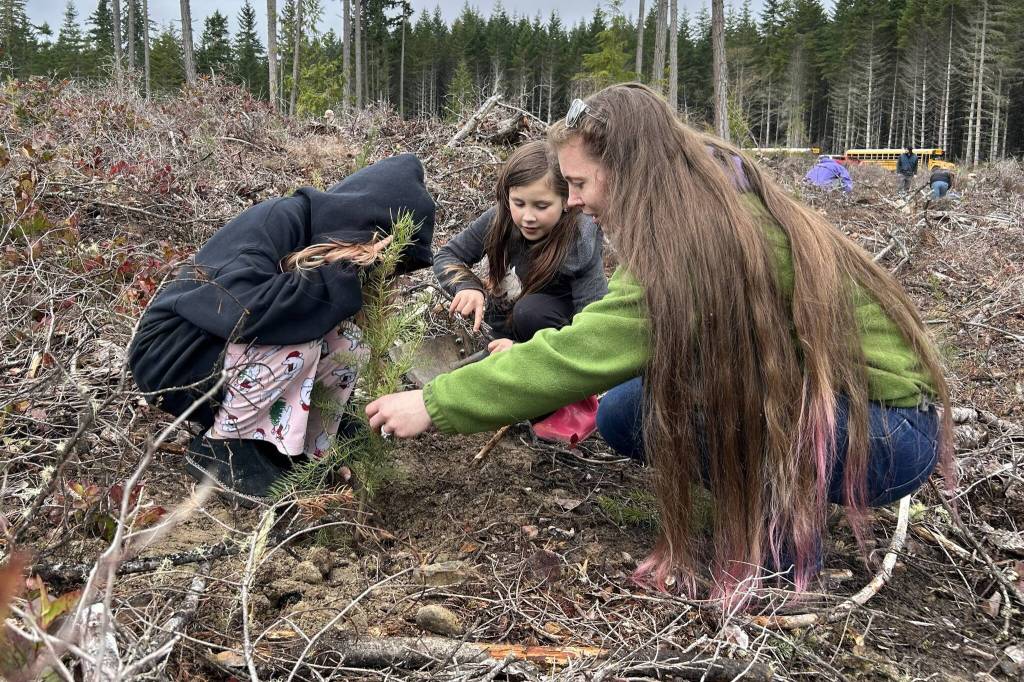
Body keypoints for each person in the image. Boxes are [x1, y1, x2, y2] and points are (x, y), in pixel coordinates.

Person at [365, 84, 953, 604]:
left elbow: (587, 349)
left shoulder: (694, 241)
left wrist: (436, 403)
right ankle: (767, 501)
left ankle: (781, 554)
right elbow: (612, 344)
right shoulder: (699, 199)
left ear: (626, 168)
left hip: (888, 435)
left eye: (578, 183)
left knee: (671, 402)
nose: (573, 201)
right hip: (853, 418)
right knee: (626, 409)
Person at [129, 155, 435, 502]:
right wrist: (338, 276)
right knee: (300, 331)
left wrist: (339, 426)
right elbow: (242, 312)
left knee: (350, 342)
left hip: (219, 359)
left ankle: (293, 452)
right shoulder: (276, 220)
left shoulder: (312, 234)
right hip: (173, 355)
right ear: (365, 224)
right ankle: (223, 449)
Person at [434, 140, 606, 353]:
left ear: (565, 200)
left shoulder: (579, 241)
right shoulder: (500, 219)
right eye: (519, 203)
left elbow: (593, 324)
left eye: (541, 206)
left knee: (529, 311)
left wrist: (520, 351)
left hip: (554, 347)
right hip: (497, 334)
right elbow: (447, 255)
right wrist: (467, 286)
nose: (528, 217)